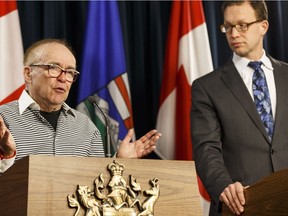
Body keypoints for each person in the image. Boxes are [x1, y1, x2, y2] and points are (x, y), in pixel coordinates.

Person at [0, 38, 161, 174]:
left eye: (70, 72)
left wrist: (118, 162)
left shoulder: (86, 127)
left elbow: (96, 184)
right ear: (29, 74)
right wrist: (6, 155)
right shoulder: (3, 119)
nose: (63, 78)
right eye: (54, 68)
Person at [191, 1, 288, 215]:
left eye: (242, 25)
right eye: (228, 26)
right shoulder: (206, 87)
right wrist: (224, 187)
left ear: (263, 26)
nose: (234, 33)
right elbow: (206, 150)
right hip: (242, 206)